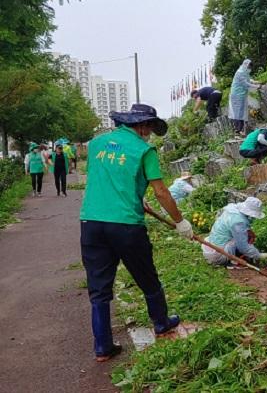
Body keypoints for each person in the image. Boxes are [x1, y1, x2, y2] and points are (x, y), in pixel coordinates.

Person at [79, 103, 194, 362]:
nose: (150, 134)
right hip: (126, 225)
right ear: (142, 125)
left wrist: (133, 196)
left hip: (91, 222)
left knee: (98, 288)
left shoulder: (96, 144)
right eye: (150, 128)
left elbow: (105, 177)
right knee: (147, 276)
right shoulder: (144, 150)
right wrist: (180, 221)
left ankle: (103, 347)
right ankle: (162, 322)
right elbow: (162, 192)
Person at [202, 197, 267, 267]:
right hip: (218, 255)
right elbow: (243, 246)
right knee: (241, 240)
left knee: (243, 236)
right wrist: (258, 255)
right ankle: (232, 259)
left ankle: (239, 254)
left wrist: (248, 231)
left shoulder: (232, 210)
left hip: (211, 247)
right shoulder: (238, 222)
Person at [228, 59, 259, 135]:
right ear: (245, 65)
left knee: (241, 112)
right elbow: (245, 84)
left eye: (250, 67)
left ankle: (240, 130)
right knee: (237, 113)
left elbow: (248, 80)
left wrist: (254, 81)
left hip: (241, 94)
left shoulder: (244, 72)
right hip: (236, 95)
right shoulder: (239, 72)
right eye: (249, 67)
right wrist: (257, 86)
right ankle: (238, 130)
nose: (249, 69)